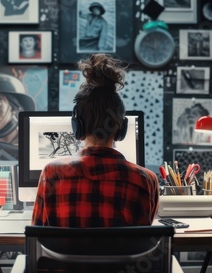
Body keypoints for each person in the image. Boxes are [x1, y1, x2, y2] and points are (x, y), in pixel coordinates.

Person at [31, 53, 159, 227]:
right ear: (121, 129)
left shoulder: (52, 174)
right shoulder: (145, 180)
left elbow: (37, 236)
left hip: (66, 255)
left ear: (78, 127)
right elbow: (143, 242)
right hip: (118, 256)